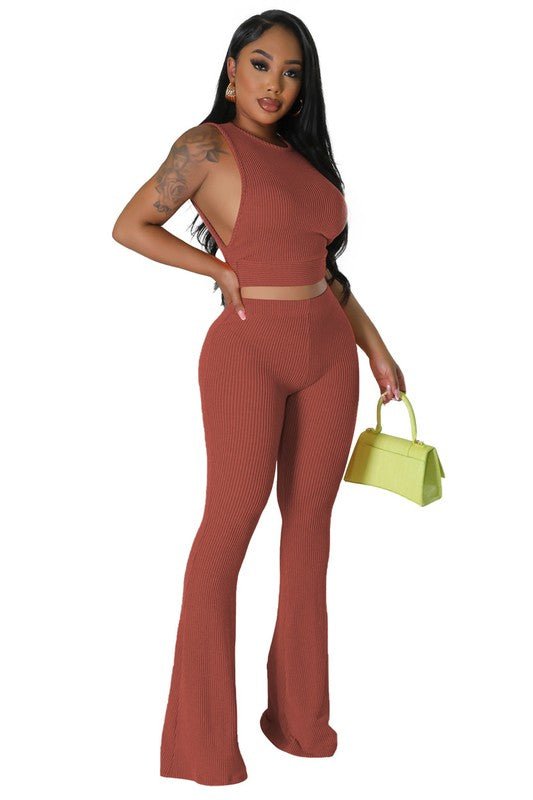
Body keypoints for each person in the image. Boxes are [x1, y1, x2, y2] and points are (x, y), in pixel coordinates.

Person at [112, 9, 406, 787]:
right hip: (247, 351)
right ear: (231, 70)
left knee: (310, 534)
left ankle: (300, 724)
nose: (275, 83)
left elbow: (326, 273)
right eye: (261, 64)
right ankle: (201, 746)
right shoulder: (205, 147)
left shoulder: (308, 162)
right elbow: (130, 225)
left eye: (291, 71)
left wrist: (375, 347)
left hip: (329, 355)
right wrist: (216, 269)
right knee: (229, 527)